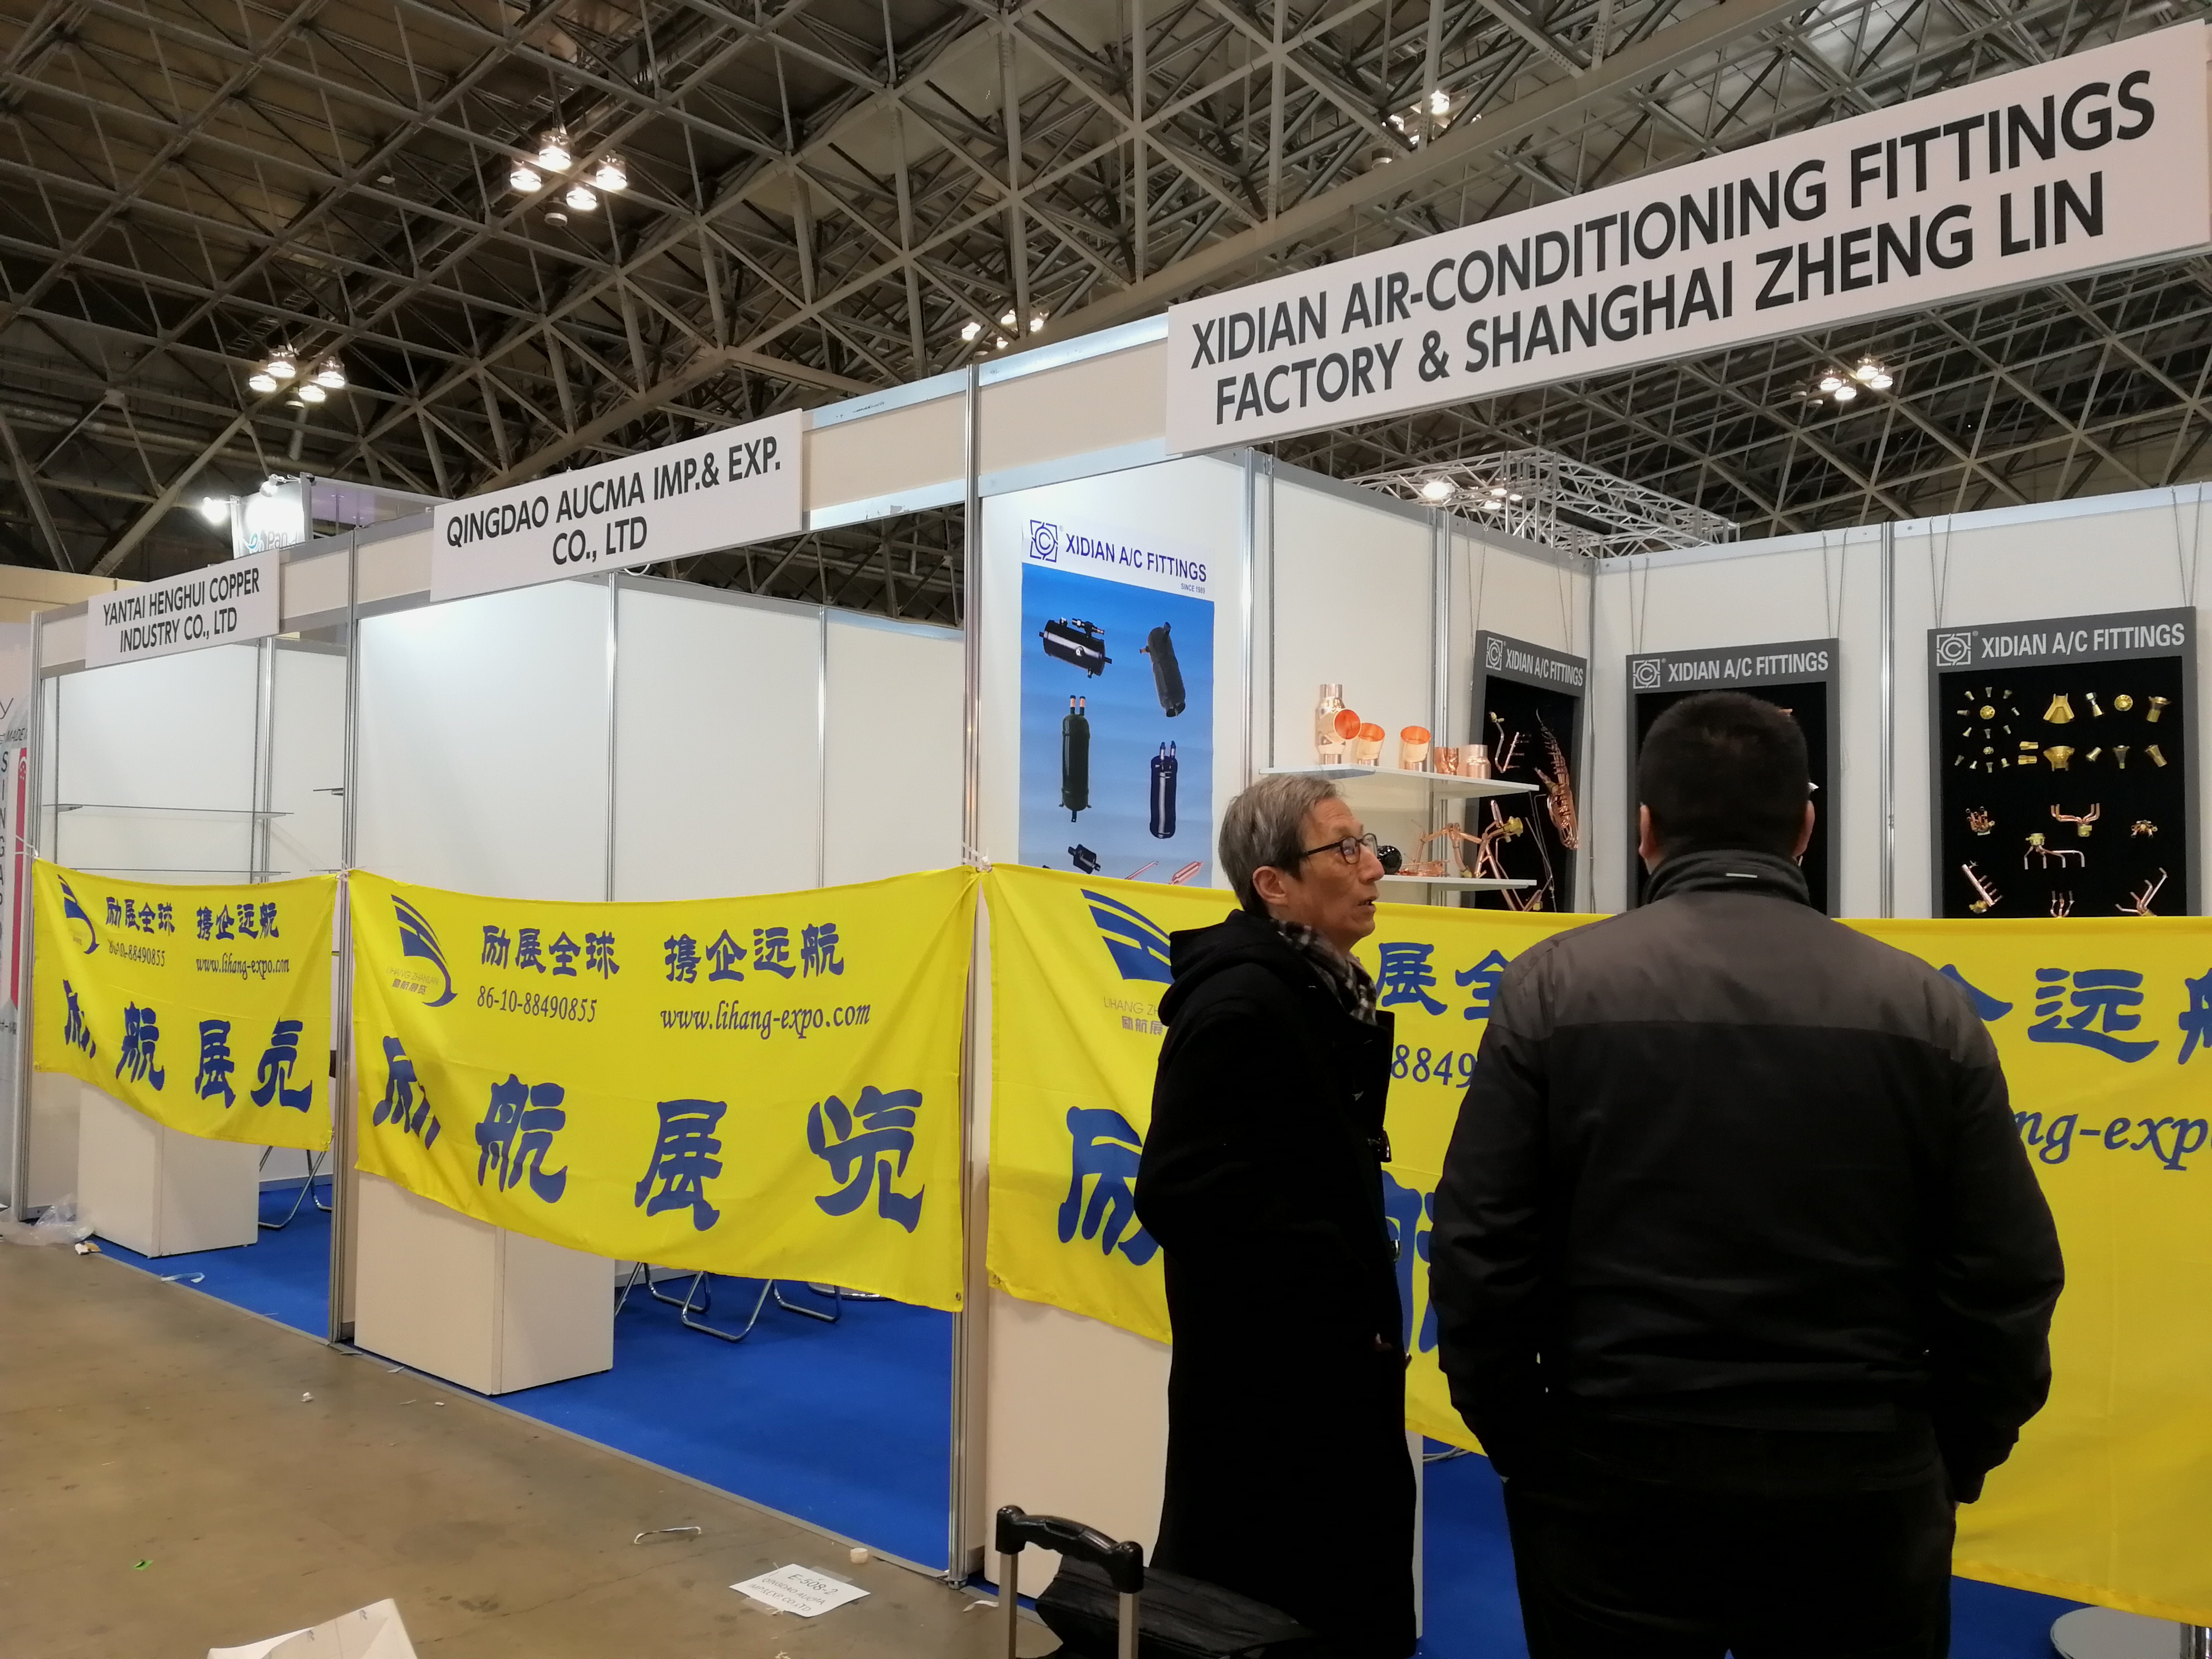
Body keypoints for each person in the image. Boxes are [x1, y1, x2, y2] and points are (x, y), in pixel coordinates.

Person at [1431, 690, 2064, 1659]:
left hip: (1614, 1481)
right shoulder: (1926, 1009)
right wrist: (1946, 1458)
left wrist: (1527, 1447)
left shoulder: (1551, 990)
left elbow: (1479, 1252)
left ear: (1645, 830)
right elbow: (2006, 1275)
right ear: (1805, 827)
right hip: (1861, 1488)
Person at [1134, 773, 1415, 1659]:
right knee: (1268, 1609)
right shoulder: (1244, 1002)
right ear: (1274, 884)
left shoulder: (1314, 990)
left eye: (1368, 845)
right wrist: (1335, 1277)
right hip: (1274, 1391)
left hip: (1314, 1374)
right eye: (1345, 849)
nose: (1373, 867)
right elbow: (1181, 1185)